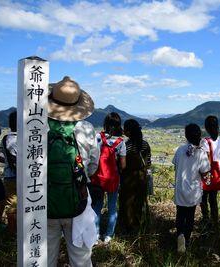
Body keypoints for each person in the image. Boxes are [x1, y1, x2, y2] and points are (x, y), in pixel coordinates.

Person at [47, 76, 100, 267]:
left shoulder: (37, 128)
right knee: (81, 258)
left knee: (45, 258)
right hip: (78, 203)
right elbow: (94, 165)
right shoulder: (86, 128)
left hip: (44, 203)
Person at [172, 123, 210, 253]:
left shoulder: (179, 150)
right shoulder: (201, 153)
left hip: (180, 188)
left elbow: (175, 166)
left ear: (186, 135)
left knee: (180, 214)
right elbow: (205, 172)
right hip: (193, 192)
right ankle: (186, 240)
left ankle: (179, 235)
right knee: (190, 216)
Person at [91, 112, 126, 244]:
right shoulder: (120, 142)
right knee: (112, 208)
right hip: (113, 179)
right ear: (118, 125)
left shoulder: (98, 137)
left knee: (96, 207)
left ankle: (95, 235)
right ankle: (108, 236)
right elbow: (123, 165)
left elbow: (93, 157)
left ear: (105, 123)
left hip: (98, 178)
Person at [119, 119, 151, 234]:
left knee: (127, 202)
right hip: (141, 177)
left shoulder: (125, 145)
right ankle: (139, 226)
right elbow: (148, 163)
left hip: (128, 178)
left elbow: (121, 164)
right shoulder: (145, 144)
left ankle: (129, 227)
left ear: (129, 131)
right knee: (139, 201)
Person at [200, 116, 220, 229]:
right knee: (213, 200)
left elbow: (206, 159)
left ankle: (205, 220)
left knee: (203, 198)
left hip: (207, 173)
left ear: (206, 127)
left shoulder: (205, 141)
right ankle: (215, 222)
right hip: (217, 172)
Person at [1, 111, 17, 208]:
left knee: (13, 207)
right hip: (23, 178)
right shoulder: (21, 139)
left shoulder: (5, 138)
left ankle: (12, 224)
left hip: (9, 176)